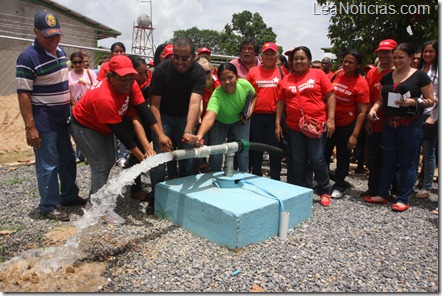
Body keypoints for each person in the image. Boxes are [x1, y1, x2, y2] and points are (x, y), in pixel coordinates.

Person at [69, 55, 172, 217]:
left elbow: (142, 112)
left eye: (131, 78)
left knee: (109, 161)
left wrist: (159, 135)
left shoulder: (131, 85)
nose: (127, 82)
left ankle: (95, 201)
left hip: (104, 126)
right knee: (101, 165)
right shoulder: (104, 98)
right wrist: (144, 160)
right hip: (85, 126)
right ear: (111, 76)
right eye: (123, 78)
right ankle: (97, 209)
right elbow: (123, 135)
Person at [16, 11, 86, 221]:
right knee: (48, 163)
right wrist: (31, 127)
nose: (53, 40)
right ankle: (48, 205)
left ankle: (68, 196)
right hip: (44, 117)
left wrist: (73, 103)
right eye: (48, 36)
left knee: (67, 158)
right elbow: (23, 94)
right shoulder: (27, 58)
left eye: (57, 35)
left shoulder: (60, 51)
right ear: (35, 32)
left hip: (62, 116)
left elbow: (63, 83)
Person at [365, 43, 435, 212]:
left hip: (410, 125)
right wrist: (374, 109)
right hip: (389, 124)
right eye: (394, 57)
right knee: (388, 161)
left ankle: (403, 198)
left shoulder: (420, 77)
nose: (396, 60)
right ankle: (383, 194)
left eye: (400, 57)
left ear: (411, 57)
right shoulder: (387, 77)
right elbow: (381, 100)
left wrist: (415, 101)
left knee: (407, 163)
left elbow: (432, 100)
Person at [275, 46, 336, 207]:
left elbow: (330, 96)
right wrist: (277, 124)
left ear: (308, 60)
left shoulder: (318, 74)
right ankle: (303, 189)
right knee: (298, 159)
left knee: (316, 158)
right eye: (295, 59)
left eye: (302, 58)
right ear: (291, 62)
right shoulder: (286, 79)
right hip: (294, 127)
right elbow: (281, 102)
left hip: (315, 125)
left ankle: (324, 189)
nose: (299, 61)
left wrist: (331, 119)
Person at [149, 37, 206, 200]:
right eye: (176, 57)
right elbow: (154, 106)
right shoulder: (161, 70)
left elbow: (195, 103)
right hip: (163, 116)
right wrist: (160, 134)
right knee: (159, 159)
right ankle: (157, 198)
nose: (179, 62)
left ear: (194, 56)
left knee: (188, 158)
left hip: (184, 117)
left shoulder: (198, 72)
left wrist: (188, 131)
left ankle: (186, 197)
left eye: (184, 58)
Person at [188, 62, 257, 172]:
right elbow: (209, 117)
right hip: (220, 123)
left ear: (237, 77)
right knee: (216, 153)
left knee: (243, 152)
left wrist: (249, 112)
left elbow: (253, 96)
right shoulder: (217, 94)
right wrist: (199, 136)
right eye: (223, 79)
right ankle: (215, 179)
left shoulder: (245, 85)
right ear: (219, 80)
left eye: (230, 77)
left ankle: (244, 177)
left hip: (240, 121)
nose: (227, 82)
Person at [324, 49, 370, 198]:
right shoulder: (337, 75)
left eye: (351, 62)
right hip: (330, 122)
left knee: (343, 156)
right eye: (345, 61)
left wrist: (354, 135)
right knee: (324, 152)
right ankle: (322, 180)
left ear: (358, 65)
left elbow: (363, 111)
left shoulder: (361, 83)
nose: (347, 64)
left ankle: (339, 183)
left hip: (347, 124)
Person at [246, 42, 288, 180]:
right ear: (261, 56)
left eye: (272, 54)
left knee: (275, 150)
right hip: (256, 117)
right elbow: (247, 94)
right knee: (256, 149)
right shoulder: (253, 71)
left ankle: (275, 178)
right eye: (266, 54)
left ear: (277, 56)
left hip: (274, 118)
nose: (269, 57)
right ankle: (256, 176)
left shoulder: (283, 72)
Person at [362, 39, 397, 199]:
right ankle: (373, 188)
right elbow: (368, 98)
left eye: (387, 52)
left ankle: (395, 190)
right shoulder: (372, 73)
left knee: (393, 158)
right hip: (376, 122)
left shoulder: (401, 71)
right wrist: (368, 120)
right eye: (380, 52)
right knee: (375, 157)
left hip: (395, 122)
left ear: (394, 53)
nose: (383, 55)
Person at [415, 40, 438, 200]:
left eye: (431, 51)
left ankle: (427, 186)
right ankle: (411, 182)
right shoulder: (419, 69)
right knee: (413, 151)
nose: (427, 54)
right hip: (416, 113)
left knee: (429, 152)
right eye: (425, 51)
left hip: (431, 115)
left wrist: (434, 116)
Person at [68, 51, 98, 163]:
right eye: (75, 62)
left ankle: (91, 155)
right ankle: (80, 155)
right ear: (71, 63)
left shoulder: (90, 73)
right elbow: (67, 90)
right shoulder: (68, 75)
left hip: (88, 107)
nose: (77, 64)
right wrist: (73, 104)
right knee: (78, 132)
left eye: (80, 62)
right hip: (75, 107)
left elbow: (95, 87)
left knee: (90, 131)